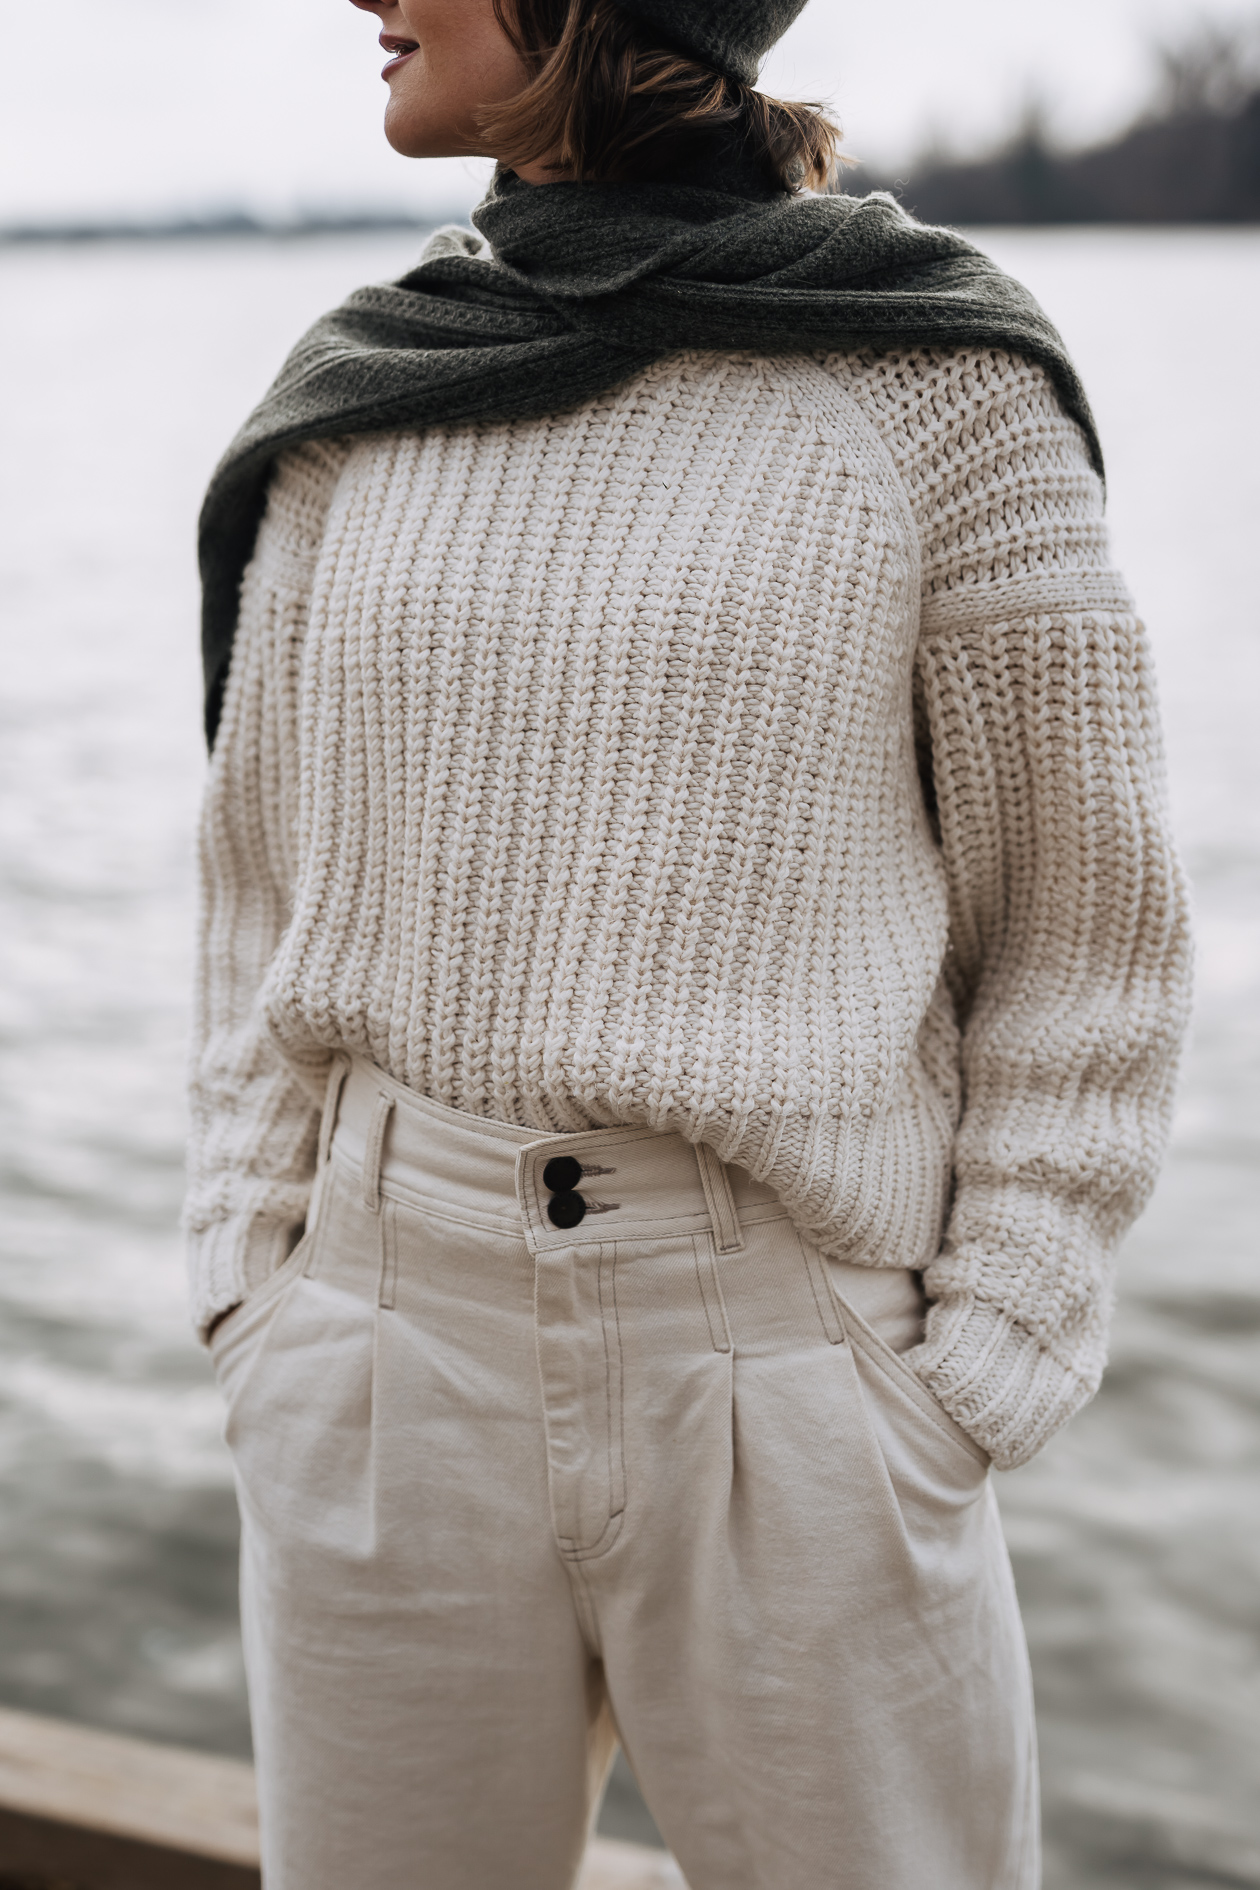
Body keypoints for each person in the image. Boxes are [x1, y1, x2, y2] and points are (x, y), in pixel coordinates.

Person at [186, 1, 1192, 1884]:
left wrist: (983, 1355)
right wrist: (260, 1281)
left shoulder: (936, 388)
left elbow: (1087, 927)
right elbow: (255, 874)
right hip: (382, 1352)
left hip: (792, 1372)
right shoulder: (377, 379)